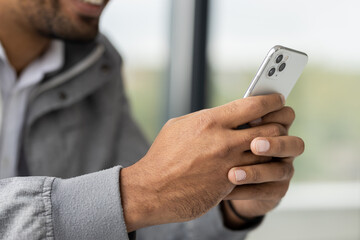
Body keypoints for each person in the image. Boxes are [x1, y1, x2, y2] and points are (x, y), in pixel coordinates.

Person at [0, 0, 305, 239]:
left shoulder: (97, 65)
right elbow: (142, 196)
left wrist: (230, 207)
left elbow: (144, 225)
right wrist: (137, 193)